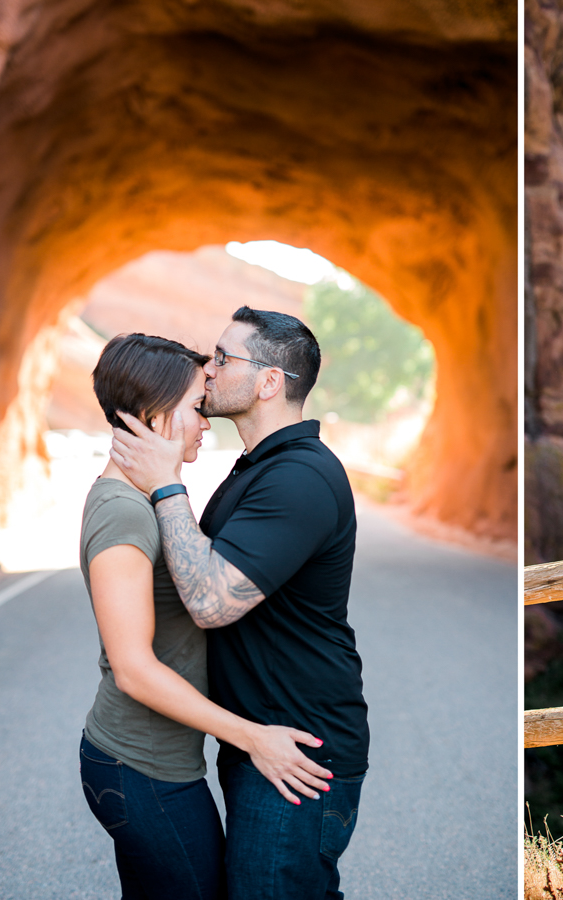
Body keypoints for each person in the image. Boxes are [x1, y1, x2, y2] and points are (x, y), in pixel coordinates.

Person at [109, 307, 368, 900]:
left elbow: (209, 602)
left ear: (270, 382)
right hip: (261, 739)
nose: (208, 367)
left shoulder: (299, 478)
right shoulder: (261, 467)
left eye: (223, 358)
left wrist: (165, 485)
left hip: (297, 751)